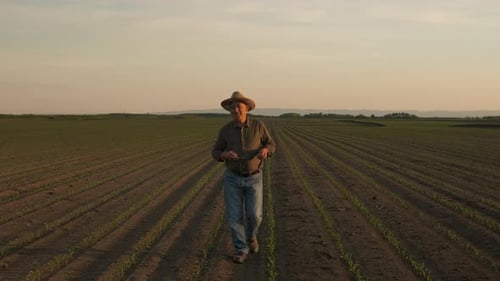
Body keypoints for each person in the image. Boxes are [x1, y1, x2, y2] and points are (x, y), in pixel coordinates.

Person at [212, 91, 276, 264]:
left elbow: (270, 144)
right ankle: (241, 249)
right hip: (233, 178)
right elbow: (215, 152)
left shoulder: (258, 126)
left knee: (255, 216)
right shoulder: (225, 131)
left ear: (246, 108)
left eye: (238, 106)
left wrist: (266, 150)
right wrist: (224, 155)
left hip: (254, 178)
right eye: (232, 107)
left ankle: (252, 236)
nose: (235, 110)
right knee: (234, 218)